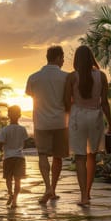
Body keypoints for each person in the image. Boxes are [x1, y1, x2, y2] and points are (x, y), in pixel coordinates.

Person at [64, 45, 111, 207]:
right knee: (92, 155)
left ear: (76, 60)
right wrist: (110, 124)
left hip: (78, 116)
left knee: (80, 157)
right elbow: (104, 102)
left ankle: (83, 195)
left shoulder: (72, 77)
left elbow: (66, 103)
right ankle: (88, 193)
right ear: (91, 58)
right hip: (95, 116)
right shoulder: (102, 76)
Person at [25, 45, 69, 204]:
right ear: (57, 58)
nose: (63, 61)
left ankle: (48, 188)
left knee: (42, 155)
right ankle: (53, 189)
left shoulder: (34, 77)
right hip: (60, 121)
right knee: (58, 156)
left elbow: (30, 94)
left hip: (41, 122)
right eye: (62, 58)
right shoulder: (66, 77)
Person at [0, 105, 28, 208]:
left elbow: (0, 145)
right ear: (19, 115)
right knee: (17, 180)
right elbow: (24, 143)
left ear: (8, 115)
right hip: (20, 157)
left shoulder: (4, 130)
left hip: (8, 158)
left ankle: (10, 194)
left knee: (8, 179)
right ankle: (15, 200)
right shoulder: (23, 129)